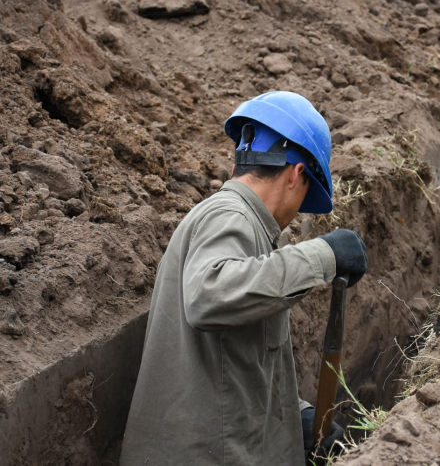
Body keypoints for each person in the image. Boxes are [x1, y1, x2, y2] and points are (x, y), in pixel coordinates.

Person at [120, 91, 368, 466]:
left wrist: (293, 416)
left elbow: (236, 362)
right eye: (305, 196)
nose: (299, 209)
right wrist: (323, 254)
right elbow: (210, 296)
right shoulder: (230, 216)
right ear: (297, 174)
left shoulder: (244, 225)